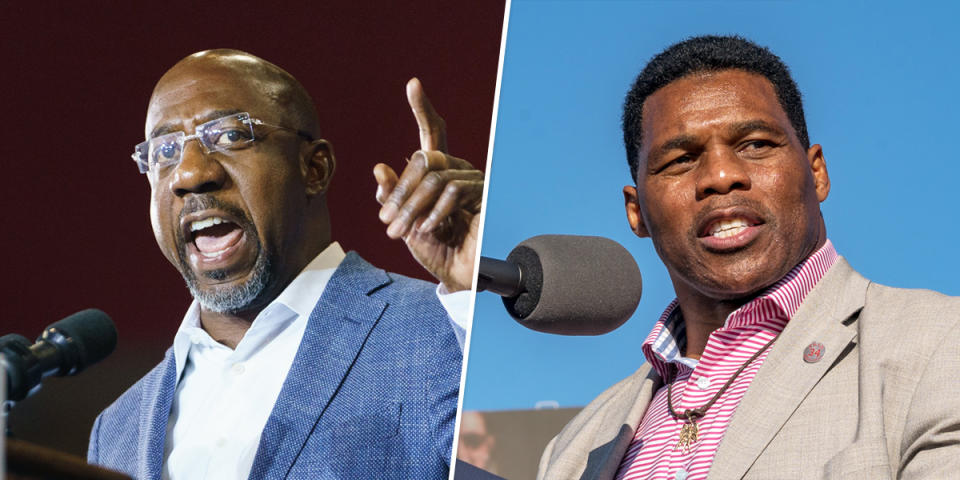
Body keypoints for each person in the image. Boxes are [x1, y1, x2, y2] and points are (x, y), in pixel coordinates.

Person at [537, 35, 960, 480]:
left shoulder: (938, 345)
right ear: (637, 211)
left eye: (756, 144)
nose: (721, 177)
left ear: (816, 173)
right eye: (681, 160)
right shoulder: (575, 447)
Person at [86, 49, 483, 479]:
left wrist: (478, 294)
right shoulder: (115, 430)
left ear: (314, 169)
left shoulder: (443, 330)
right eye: (165, 151)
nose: (189, 174)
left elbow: (528, 460)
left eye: (231, 136)